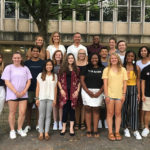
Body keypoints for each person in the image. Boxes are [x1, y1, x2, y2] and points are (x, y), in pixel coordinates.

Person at [1, 52, 32, 139]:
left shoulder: (25, 68)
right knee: (12, 112)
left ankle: (19, 129)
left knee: (22, 112)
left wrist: (24, 91)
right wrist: (16, 92)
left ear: (21, 58)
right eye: (15, 58)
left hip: (23, 94)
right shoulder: (8, 68)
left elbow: (29, 81)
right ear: (12, 58)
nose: (17, 59)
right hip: (12, 94)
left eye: (18, 58)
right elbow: (7, 81)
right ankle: (12, 130)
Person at [102, 53, 127, 141]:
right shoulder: (106, 69)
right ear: (110, 60)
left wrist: (124, 94)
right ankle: (110, 132)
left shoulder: (123, 69)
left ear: (118, 59)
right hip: (110, 95)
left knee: (118, 113)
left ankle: (116, 132)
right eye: (112, 58)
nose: (113, 59)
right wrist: (106, 95)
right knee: (110, 113)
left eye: (115, 58)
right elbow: (105, 84)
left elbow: (125, 83)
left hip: (119, 95)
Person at [80, 53, 104, 138]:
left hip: (99, 91)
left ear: (99, 59)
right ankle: (89, 129)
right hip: (87, 91)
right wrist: (88, 91)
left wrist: (100, 92)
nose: (94, 60)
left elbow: (105, 82)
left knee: (96, 109)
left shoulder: (103, 68)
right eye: (93, 58)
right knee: (88, 109)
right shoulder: (85, 68)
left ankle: (95, 129)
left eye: (96, 58)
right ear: (90, 59)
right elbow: (82, 80)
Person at [24, 46, 45, 133]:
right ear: (31, 52)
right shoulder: (26, 63)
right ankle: (28, 125)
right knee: (28, 107)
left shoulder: (43, 63)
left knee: (38, 107)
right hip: (29, 89)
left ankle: (38, 125)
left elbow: (44, 75)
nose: (35, 52)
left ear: (39, 52)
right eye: (34, 51)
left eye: (37, 51)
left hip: (40, 89)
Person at [122, 51, 142, 140]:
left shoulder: (137, 68)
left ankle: (134, 129)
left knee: (134, 109)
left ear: (134, 58)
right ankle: (125, 128)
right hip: (123, 89)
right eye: (128, 56)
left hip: (133, 88)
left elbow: (138, 81)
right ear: (126, 57)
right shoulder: (122, 67)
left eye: (132, 56)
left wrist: (139, 93)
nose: (130, 57)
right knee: (124, 109)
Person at [58, 53, 80, 136]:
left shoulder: (77, 69)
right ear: (66, 59)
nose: (70, 59)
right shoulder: (62, 69)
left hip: (73, 92)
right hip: (64, 92)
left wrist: (77, 91)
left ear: (74, 59)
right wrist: (61, 90)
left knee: (72, 110)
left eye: (72, 58)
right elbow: (59, 80)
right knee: (64, 110)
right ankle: (63, 127)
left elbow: (79, 82)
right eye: (69, 58)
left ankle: (71, 128)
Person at [35, 59, 57, 140]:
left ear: (52, 66)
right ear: (45, 66)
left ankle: (46, 132)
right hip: (41, 98)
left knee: (48, 116)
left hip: (50, 98)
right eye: (47, 65)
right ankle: (41, 132)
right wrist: (37, 98)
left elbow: (55, 89)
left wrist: (55, 99)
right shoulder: (40, 75)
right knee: (41, 116)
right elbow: (37, 87)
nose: (49, 66)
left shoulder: (55, 76)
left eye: (50, 65)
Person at [136, 46, 150, 129]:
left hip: (148, 85)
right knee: (141, 106)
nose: (143, 52)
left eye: (145, 50)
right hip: (139, 85)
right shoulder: (138, 62)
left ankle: (147, 123)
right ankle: (141, 122)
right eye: (142, 51)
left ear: (148, 52)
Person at [75, 49, 88, 130]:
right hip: (75, 86)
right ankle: (77, 122)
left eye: (83, 53)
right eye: (80, 53)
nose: (82, 55)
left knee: (83, 104)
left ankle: (82, 122)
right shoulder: (74, 63)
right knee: (76, 105)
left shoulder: (88, 64)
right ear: (78, 54)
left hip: (85, 86)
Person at [52, 50, 64, 130]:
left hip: (62, 87)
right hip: (53, 87)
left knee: (61, 105)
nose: (58, 56)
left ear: (62, 56)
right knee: (54, 105)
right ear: (54, 56)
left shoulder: (64, 65)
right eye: (57, 55)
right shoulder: (52, 65)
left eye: (60, 55)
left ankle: (60, 122)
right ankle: (55, 122)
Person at [99, 47, 109, 128]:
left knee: (107, 104)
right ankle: (99, 120)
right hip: (98, 85)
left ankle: (106, 120)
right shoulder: (97, 62)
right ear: (100, 53)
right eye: (102, 51)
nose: (104, 53)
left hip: (108, 85)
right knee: (99, 103)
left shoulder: (110, 62)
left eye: (106, 51)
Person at [141, 64, 150, 137]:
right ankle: (146, 127)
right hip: (147, 94)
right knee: (147, 112)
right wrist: (143, 94)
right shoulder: (146, 69)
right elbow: (143, 82)